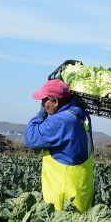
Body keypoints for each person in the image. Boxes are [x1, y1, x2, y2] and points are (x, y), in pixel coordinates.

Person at [24, 79, 94, 212]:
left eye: (44, 101)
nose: (42, 104)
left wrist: (41, 114)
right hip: (81, 194)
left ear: (55, 101)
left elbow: (30, 138)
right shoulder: (81, 115)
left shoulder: (61, 121)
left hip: (63, 201)